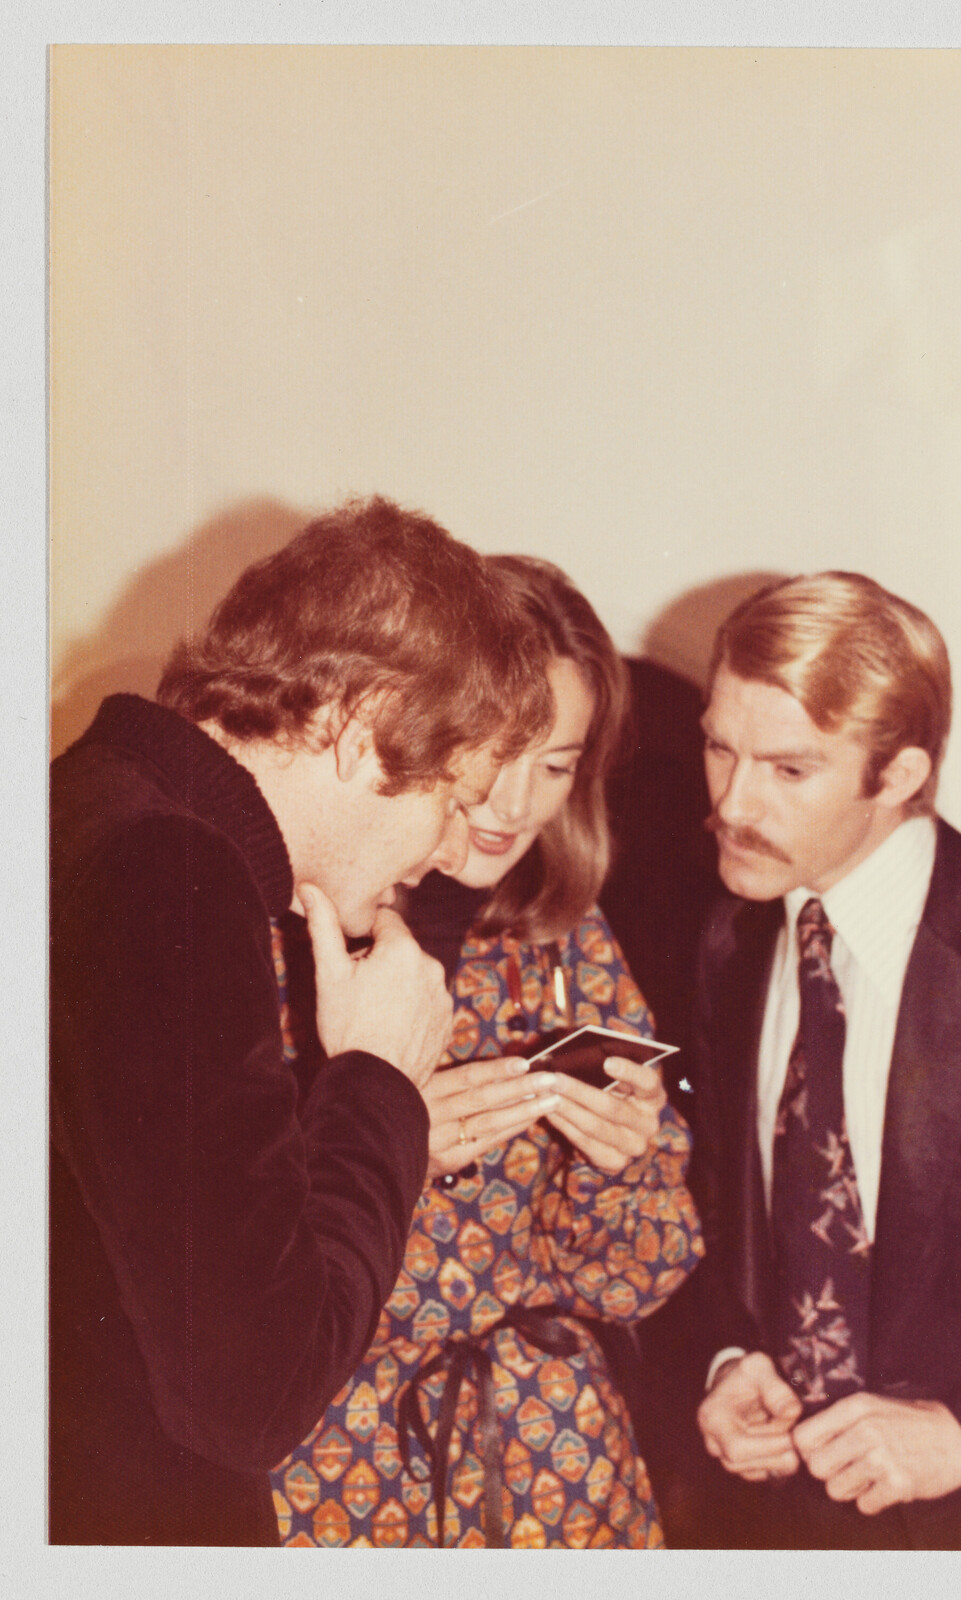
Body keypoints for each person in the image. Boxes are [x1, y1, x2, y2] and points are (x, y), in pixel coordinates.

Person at [49, 496, 553, 1545]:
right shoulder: (174, 875)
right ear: (359, 727)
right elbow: (254, 1395)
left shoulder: (90, 799)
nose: (449, 849)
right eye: (455, 798)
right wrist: (377, 1082)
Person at [271, 556, 704, 1549]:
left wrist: (614, 1168)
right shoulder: (283, 931)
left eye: (556, 766)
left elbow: (642, 1277)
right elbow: (214, 1266)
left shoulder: (563, 935)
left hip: (559, 1466)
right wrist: (381, 1143)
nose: (513, 805)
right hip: (338, 1469)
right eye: (498, 753)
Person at [688, 572, 961, 1550]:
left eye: (788, 769)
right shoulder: (733, 936)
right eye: (720, 747)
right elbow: (724, 1197)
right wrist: (729, 1353)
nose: (732, 802)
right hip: (779, 1524)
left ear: (898, 776)